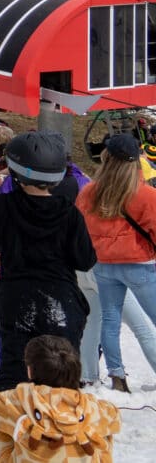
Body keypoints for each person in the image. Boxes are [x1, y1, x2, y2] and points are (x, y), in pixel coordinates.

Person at [0, 130, 96, 394]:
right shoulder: (69, 212)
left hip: (17, 299)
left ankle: (11, 430)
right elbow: (85, 260)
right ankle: (61, 431)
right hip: (62, 301)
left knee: (13, 373)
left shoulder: (3, 205)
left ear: (16, 170)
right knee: (62, 377)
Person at [75, 132, 156, 392]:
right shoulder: (145, 195)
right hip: (138, 264)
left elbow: (80, 229)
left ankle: (117, 376)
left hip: (103, 264)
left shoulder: (88, 192)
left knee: (109, 321)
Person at [0, 334, 121, 463]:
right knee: (102, 430)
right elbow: (115, 418)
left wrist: (15, 422)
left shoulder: (19, 400)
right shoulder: (91, 406)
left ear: (30, 371)